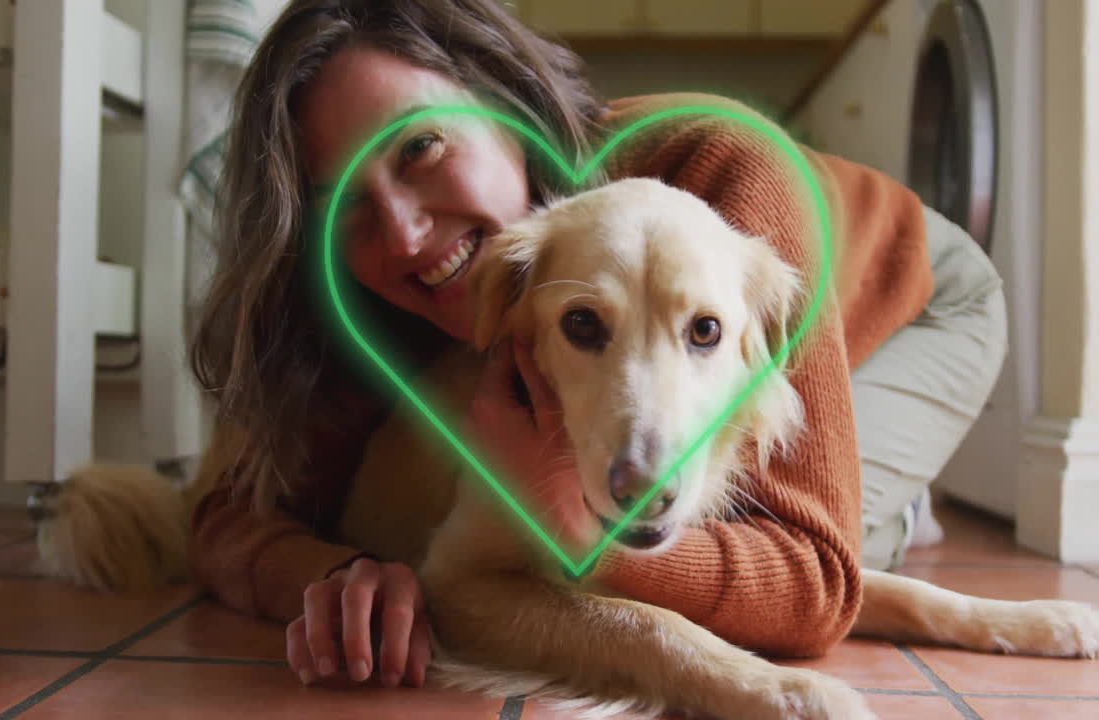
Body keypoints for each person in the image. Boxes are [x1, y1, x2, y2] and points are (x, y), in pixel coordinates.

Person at [186, 0, 1006, 693]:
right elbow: (225, 514)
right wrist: (335, 574)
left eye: (421, 146)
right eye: (344, 202)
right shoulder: (395, 292)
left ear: (499, 102)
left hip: (926, 305)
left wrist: (558, 527)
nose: (403, 235)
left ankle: (873, 496)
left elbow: (812, 588)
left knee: (792, 532)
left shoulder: (728, 173)